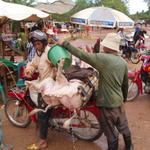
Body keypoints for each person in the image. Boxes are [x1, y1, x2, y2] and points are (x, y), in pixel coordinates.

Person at [57, 33, 134, 150]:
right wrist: (123, 99)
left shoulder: (102, 58)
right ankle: (129, 147)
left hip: (106, 103)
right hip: (118, 102)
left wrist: (65, 44)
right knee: (123, 126)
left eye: (104, 45)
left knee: (111, 134)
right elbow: (125, 84)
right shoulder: (123, 62)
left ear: (109, 47)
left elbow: (82, 55)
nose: (103, 46)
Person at [25, 30, 57, 150]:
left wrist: (55, 67)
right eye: (35, 44)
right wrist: (29, 70)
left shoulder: (49, 53)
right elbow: (33, 64)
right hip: (43, 84)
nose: (36, 46)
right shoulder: (39, 54)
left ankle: (43, 141)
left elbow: (59, 65)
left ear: (43, 43)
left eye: (38, 44)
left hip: (49, 87)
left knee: (41, 113)